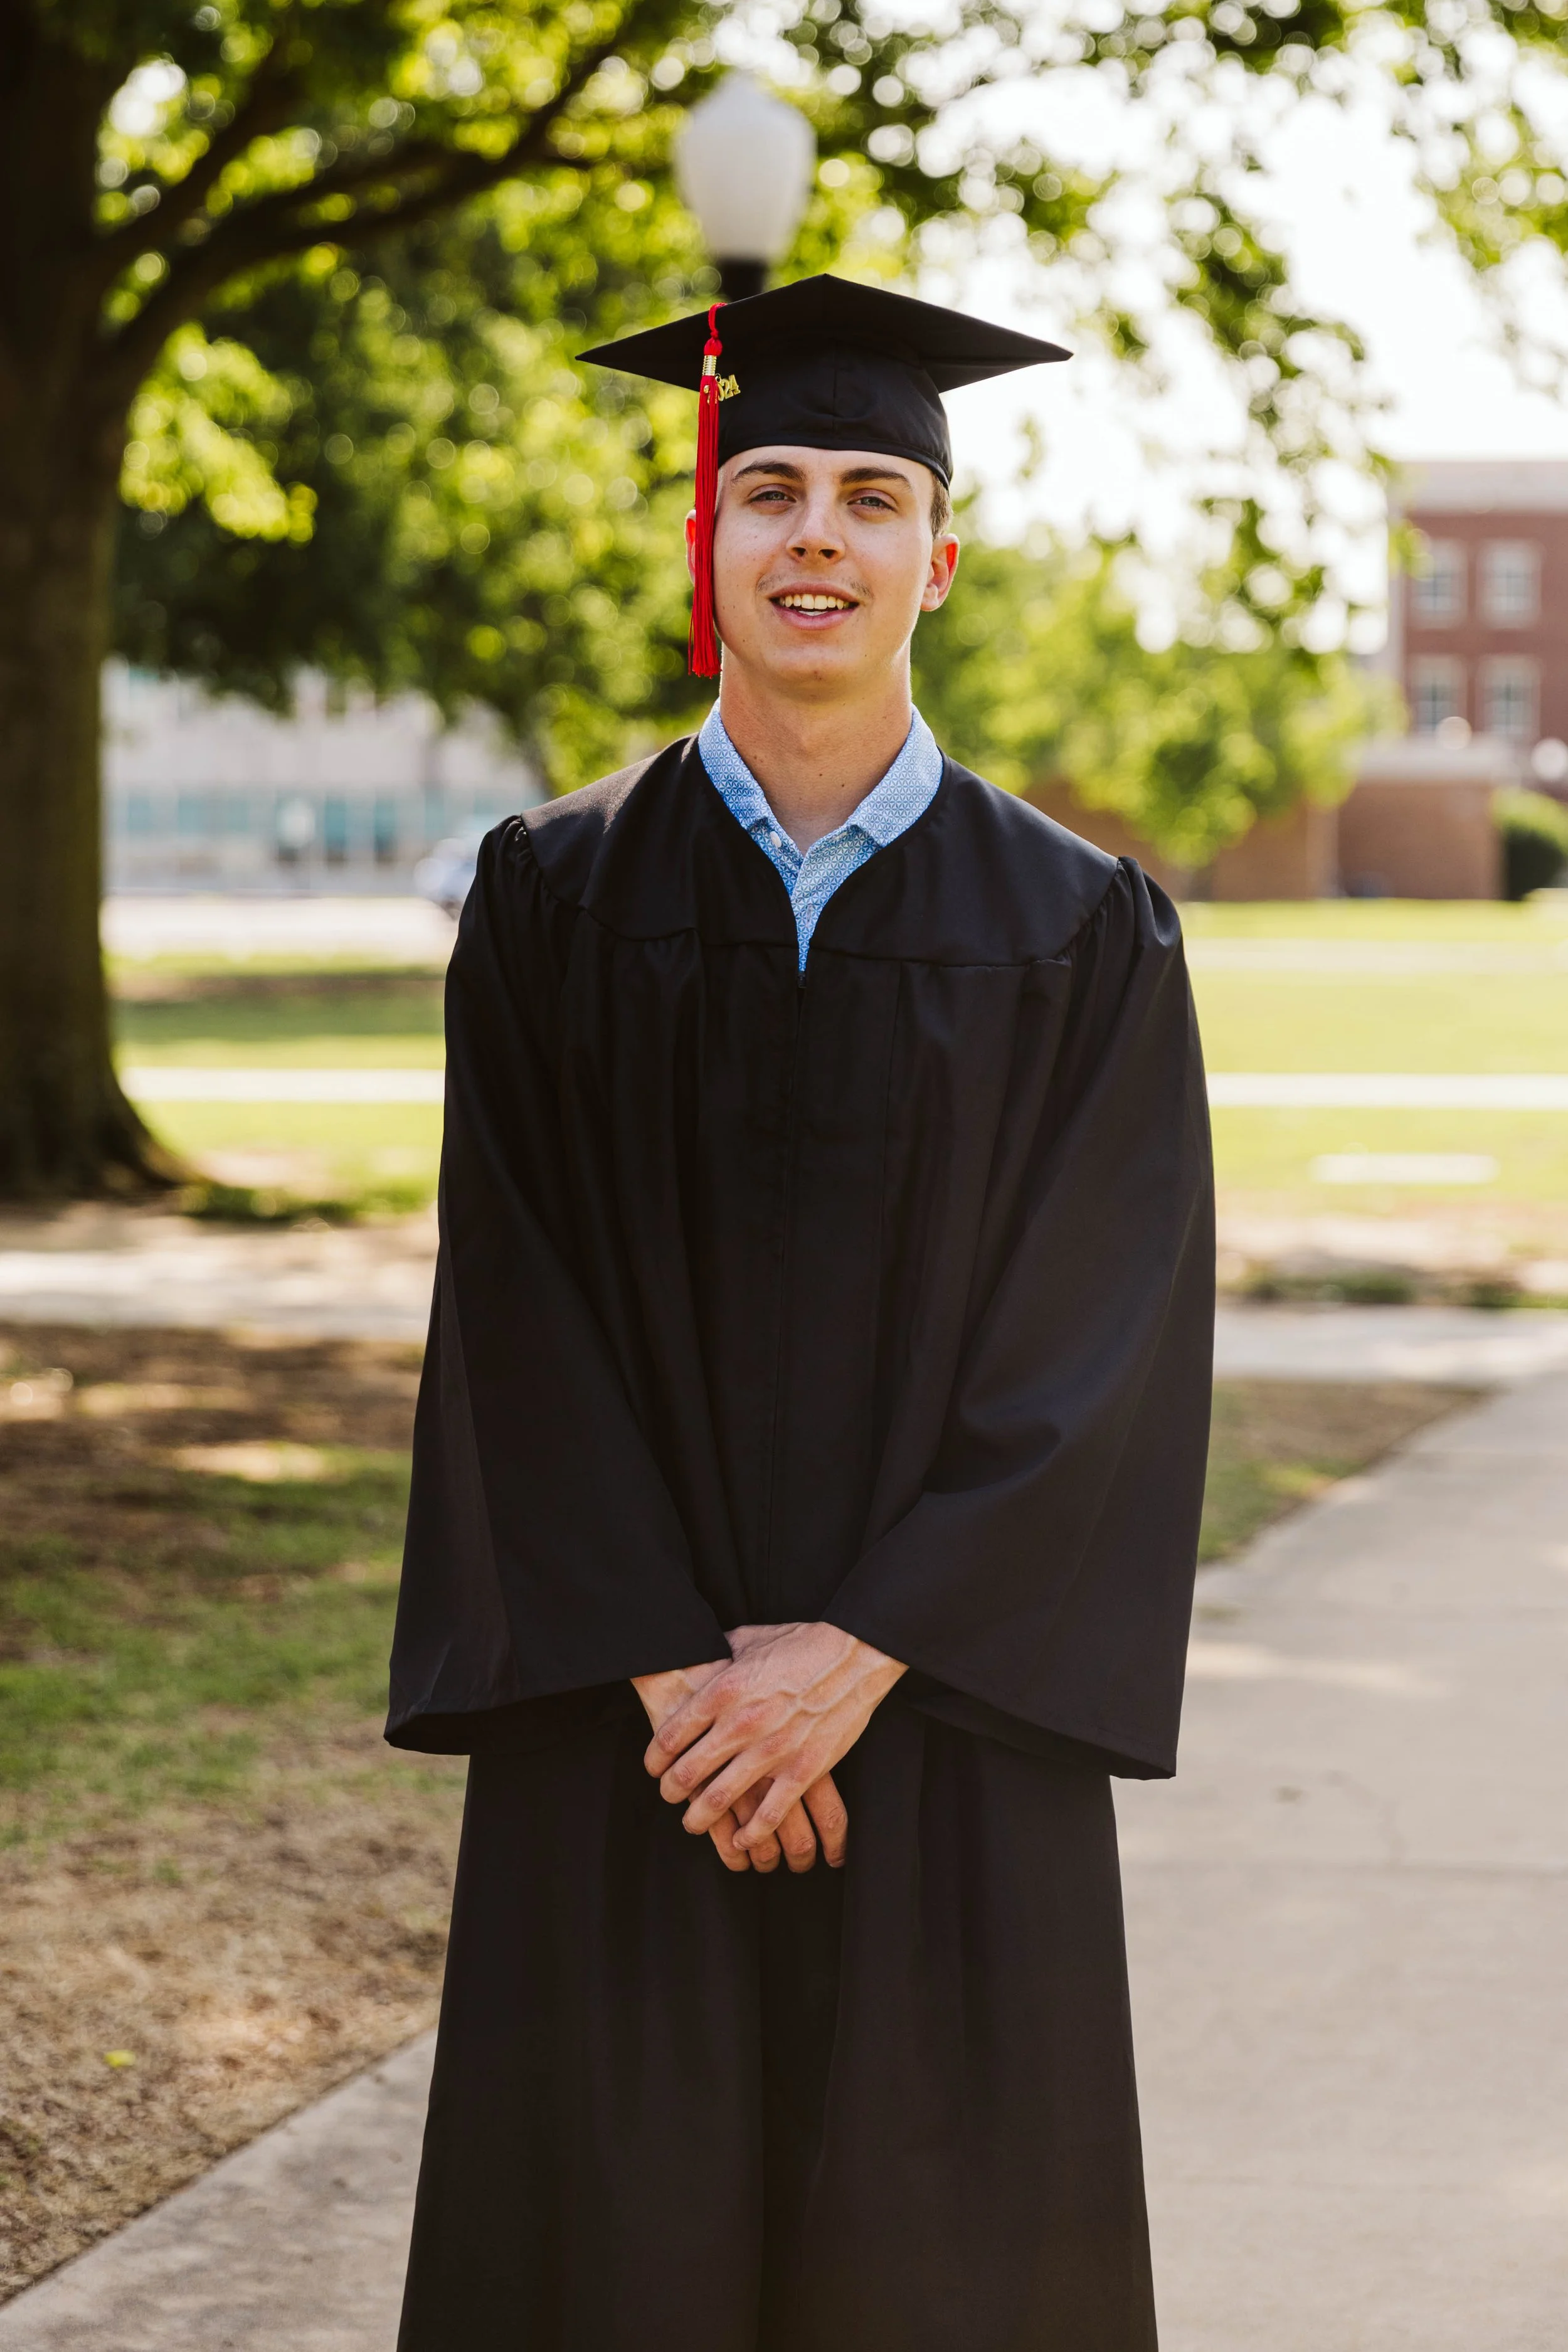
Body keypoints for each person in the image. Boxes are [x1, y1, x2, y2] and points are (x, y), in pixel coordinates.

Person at [388, 273, 1214, 2352]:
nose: (817, 534)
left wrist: (845, 1662)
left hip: (936, 1715)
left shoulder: (1078, 927)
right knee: (613, 2254)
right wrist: (688, 1676)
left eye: (868, 492)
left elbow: (1098, 1336)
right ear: (709, 540)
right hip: (632, 1728)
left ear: (942, 550)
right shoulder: (555, 895)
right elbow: (514, 1297)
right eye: (768, 489)